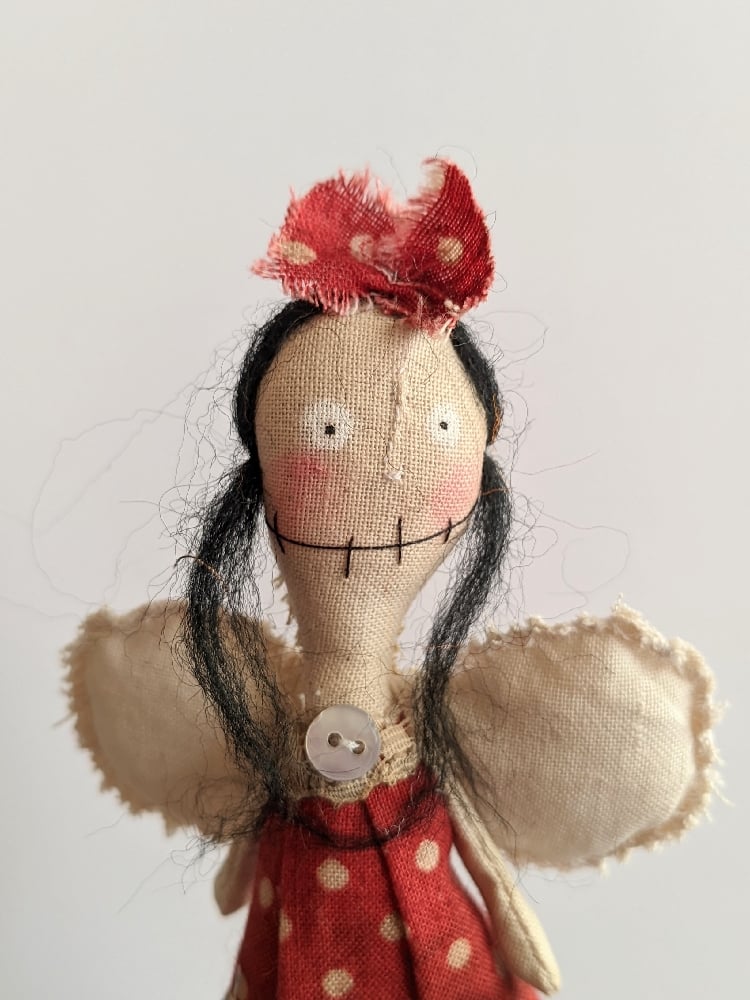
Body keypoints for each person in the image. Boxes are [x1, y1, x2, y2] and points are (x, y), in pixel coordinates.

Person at [65, 161, 716, 999]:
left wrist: (514, 927)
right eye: (325, 429)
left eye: (440, 429)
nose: (378, 475)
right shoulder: (240, 711)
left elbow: (485, 850)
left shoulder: (447, 730)